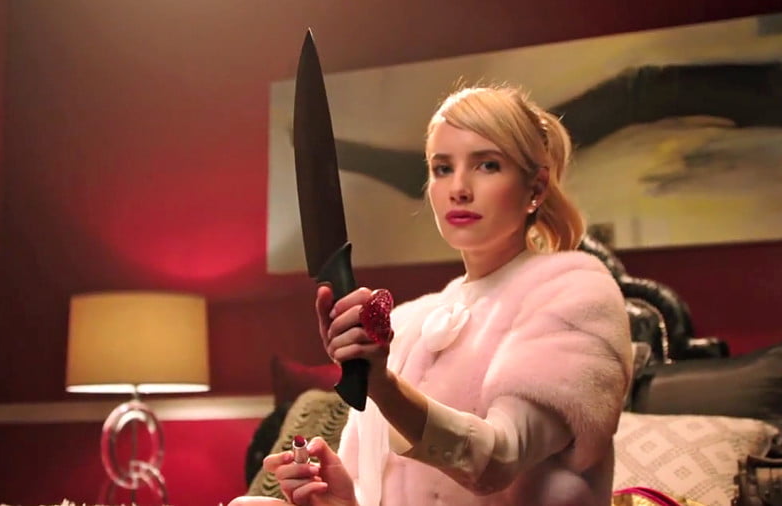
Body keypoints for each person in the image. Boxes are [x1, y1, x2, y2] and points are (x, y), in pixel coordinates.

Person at [231, 84, 632, 506]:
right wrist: (339, 498)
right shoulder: (404, 322)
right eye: (442, 168)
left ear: (536, 188)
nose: (459, 188)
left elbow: (497, 459)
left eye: (487, 165)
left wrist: (384, 386)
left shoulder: (575, 293)